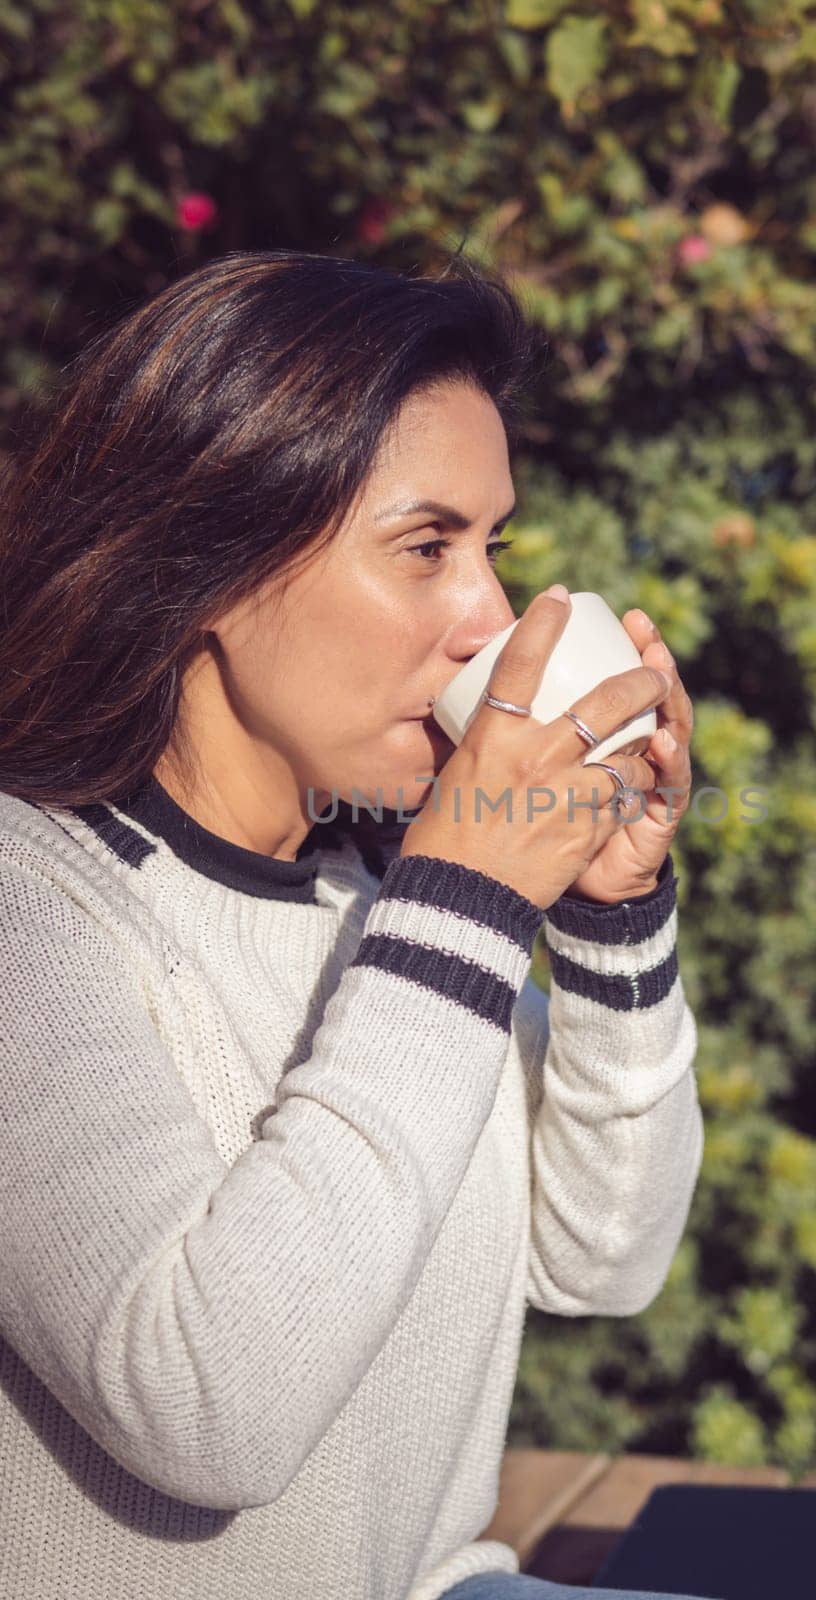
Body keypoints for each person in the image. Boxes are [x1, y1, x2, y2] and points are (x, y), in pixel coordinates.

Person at [0, 248, 704, 1600]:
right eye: (427, 547)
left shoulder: (374, 891)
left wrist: (611, 916)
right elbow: (205, 1408)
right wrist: (472, 896)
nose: (489, 618)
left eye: (492, 547)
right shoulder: (39, 907)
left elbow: (604, 1257)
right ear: (209, 556)